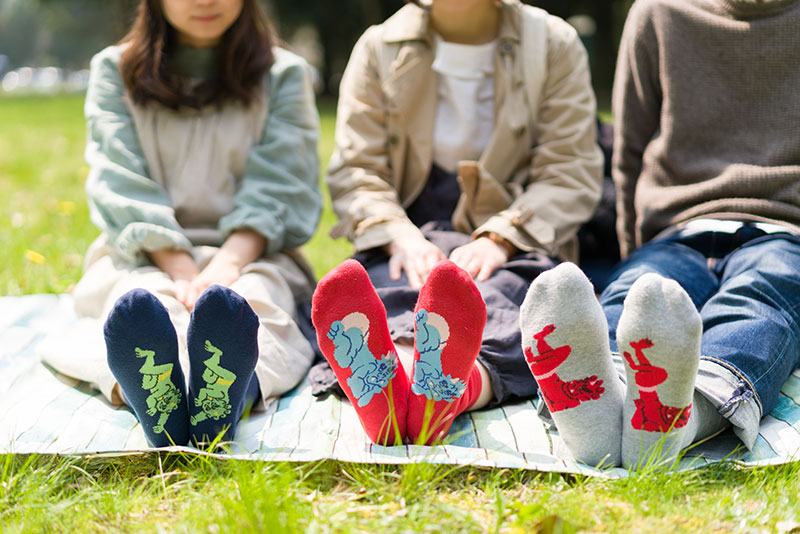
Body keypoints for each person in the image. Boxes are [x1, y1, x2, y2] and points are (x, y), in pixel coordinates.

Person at [519, 0, 800, 469]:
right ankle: (602, 406)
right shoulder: (658, 11)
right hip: (677, 225)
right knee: (638, 292)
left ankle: (680, 419)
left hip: (786, 229)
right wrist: (634, 247)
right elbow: (628, 149)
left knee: (759, 301)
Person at [309, 0, 603, 446]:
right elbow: (357, 170)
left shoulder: (553, 43)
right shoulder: (378, 48)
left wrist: (502, 237)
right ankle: (400, 390)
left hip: (518, 238)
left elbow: (570, 169)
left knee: (514, 305)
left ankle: (444, 393)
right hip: (408, 232)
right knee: (386, 292)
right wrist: (398, 234)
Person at [39, 0, 321, 447]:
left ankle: (222, 402)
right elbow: (120, 178)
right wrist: (181, 269)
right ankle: (159, 400)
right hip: (142, 248)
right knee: (140, 306)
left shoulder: (284, 73)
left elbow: (281, 181)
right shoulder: (115, 70)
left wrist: (225, 266)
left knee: (254, 307)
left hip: (253, 250)